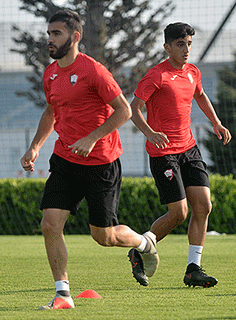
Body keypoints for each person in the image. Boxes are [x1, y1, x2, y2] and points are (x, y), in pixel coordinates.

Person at [20, 9, 158, 310]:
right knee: (50, 223)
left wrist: (93, 137)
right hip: (65, 161)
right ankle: (63, 294)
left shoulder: (94, 71)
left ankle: (144, 243)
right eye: (48, 33)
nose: (50, 39)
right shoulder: (50, 73)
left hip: (101, 163)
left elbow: (125, 110)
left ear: (75, 37)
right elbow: (50, 112)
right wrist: (35, 147)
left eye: (56, 33)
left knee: (104, 237)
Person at [128, 22, 231, 288]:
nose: (186, 50)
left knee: (204, 206)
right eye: (180, 44)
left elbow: (202, 96)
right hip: (163, 153)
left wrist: (216, 122)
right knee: (179, 213)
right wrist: (150, 133)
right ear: (167, 47)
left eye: (189, 44)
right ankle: (139, 249)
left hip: (189, 148)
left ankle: (193, 269)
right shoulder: (156, 75)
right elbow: (133, 108)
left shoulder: (192, 72)